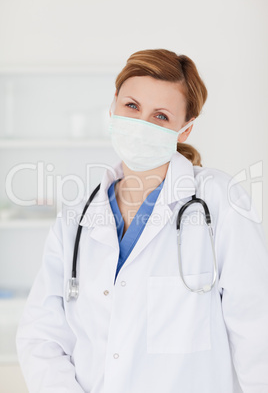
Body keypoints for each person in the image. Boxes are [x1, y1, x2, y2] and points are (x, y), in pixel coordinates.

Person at [16, 48, 268, 393]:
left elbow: (256, 331)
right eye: (131, 106)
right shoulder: (76, 215)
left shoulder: (220, 200)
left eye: (161, 116)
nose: (140, 124)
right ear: (113, 106)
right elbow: (41, 336)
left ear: (185, 130)